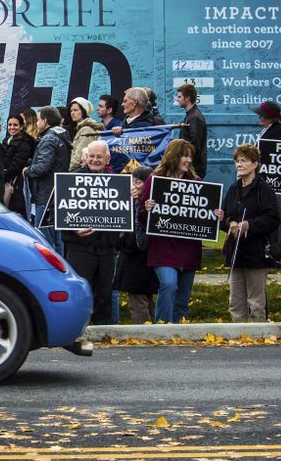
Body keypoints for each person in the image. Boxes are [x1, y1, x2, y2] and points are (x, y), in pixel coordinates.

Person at [141, 139, 212, 323]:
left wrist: (215, 214)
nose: (189, 160)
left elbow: (204, 215)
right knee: (169, 284)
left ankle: (181, 333)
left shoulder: (197, 183)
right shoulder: (155, 180)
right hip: (163, 248)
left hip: (189, 250)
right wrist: (147, 208)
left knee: (183, 297)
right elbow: (141, 216)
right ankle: (162, 327)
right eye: (185, 156)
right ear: (174, 157)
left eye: (190, 157)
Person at [218, 144, 279, 321]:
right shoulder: (233, 189)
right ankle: (238, 336)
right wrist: (230, 222)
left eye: (244, 161)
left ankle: (258, 338)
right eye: (237, 161)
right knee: (235, 302)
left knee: (256, 302)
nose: (239, 164)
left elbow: (273, 219)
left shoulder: (264, 190)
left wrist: (249, 225)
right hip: (236, 254)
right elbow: (225, 217)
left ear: (255, 164)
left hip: (256, 253)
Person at [62, 141, 119, 325]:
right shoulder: (71, 179)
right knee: (80, 291)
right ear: (86, 157)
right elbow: (58, 213)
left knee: (104, 292)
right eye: (91, 156)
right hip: (80, 246)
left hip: (106, 247)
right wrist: (74, 228)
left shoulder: (117, 182)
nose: (94, 160)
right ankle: (76, 326)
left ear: (107, 159)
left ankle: (103, 331)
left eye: (99, 157)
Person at [24, 106, 70, 253]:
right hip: (56, 194)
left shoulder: (49, 138)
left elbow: (42, 167)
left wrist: (28, 170)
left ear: (45, 120)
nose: (37, 123)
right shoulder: (62, 135)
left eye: (38, 120)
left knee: (45, 241)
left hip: (45, 195)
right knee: (57, 241)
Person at [117, 166, 156, 323]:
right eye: (132, 182)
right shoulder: (129, 201)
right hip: (131, 255)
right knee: (143, 297)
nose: (134, 186)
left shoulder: (148, 205)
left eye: (138, 182)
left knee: (139, 298)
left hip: (140, 256)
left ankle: (144, 332)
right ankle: (152, 329)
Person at [2, 113, 35, 216]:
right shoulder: (7, 140)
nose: (12, 127)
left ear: (21, 126)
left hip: (17, 186)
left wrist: (2, 176)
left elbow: (16, 166)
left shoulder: (25, 143)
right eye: (10, 125)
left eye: (15, 125)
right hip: (7, 180)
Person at [175, 83, 208, 178]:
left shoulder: (194, 118)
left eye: (179, 96)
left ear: (187, 98)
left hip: (193, 168)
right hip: (190, 167)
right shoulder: (192, 115)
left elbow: (194, 145)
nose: (177, 99)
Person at [68, 97, 104, 170]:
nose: (72, 113)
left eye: (75, 110)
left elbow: (78, 157)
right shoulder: (79, 128)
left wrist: (65, 170)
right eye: (71, 110)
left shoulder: (87, 130)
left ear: (84, 111)